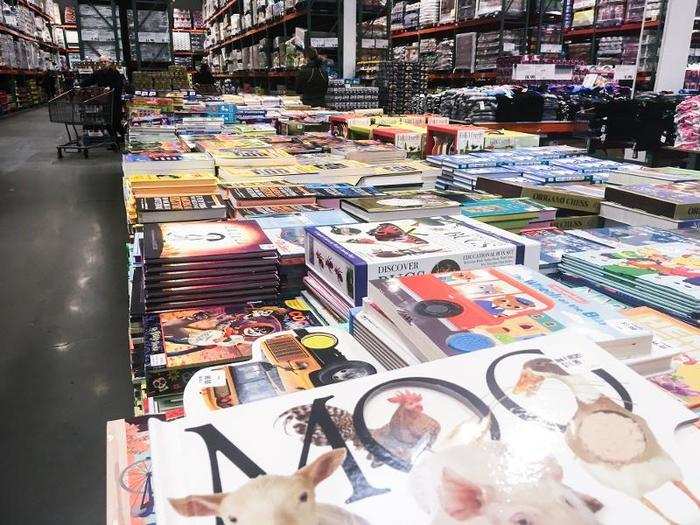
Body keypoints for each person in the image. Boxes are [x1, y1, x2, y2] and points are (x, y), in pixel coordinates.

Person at [80, 56, 126, 139]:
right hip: (105, 102)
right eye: (101, 62)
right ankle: (114, 141)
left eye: (105, 61)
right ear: (99, 64)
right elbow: (90, 80)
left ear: (109, 63)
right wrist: (80, 85)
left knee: (116, 123)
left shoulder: (115, 72)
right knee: (108, 123)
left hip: (115, 101)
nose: (103, 63)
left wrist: (111, 87)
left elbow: (120, 84)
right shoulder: (98, 73)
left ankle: (125, 138)